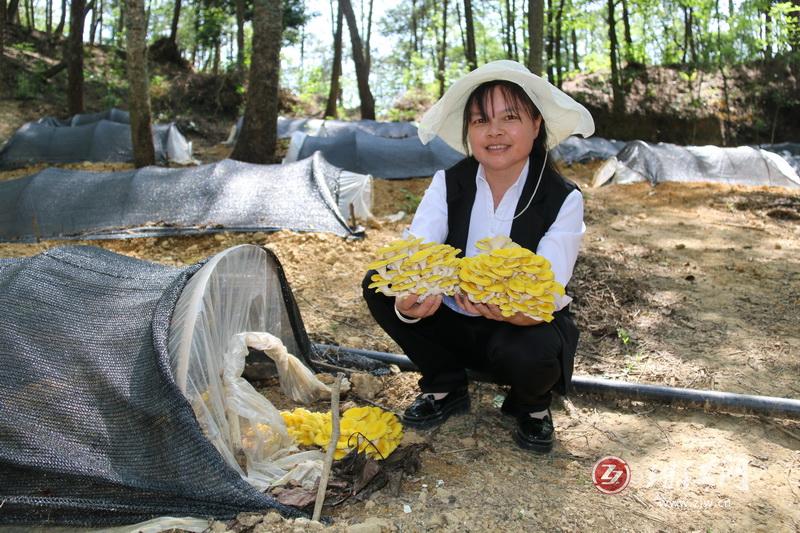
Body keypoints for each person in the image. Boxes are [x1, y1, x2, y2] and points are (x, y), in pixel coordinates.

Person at [362, 60, 594, 453]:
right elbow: (418, 248)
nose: (494, 131)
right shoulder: (450, 181)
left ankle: (532, 405)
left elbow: (550, 286)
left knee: (534, 351)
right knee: (378, 283)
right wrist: (408, 302)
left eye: (510, 117)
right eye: (480, 120)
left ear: (536, 124)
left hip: (518, 329)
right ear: (469, 131)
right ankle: (445, 384)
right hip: (451, 315)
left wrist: (516, 313)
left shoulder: (561, 197)